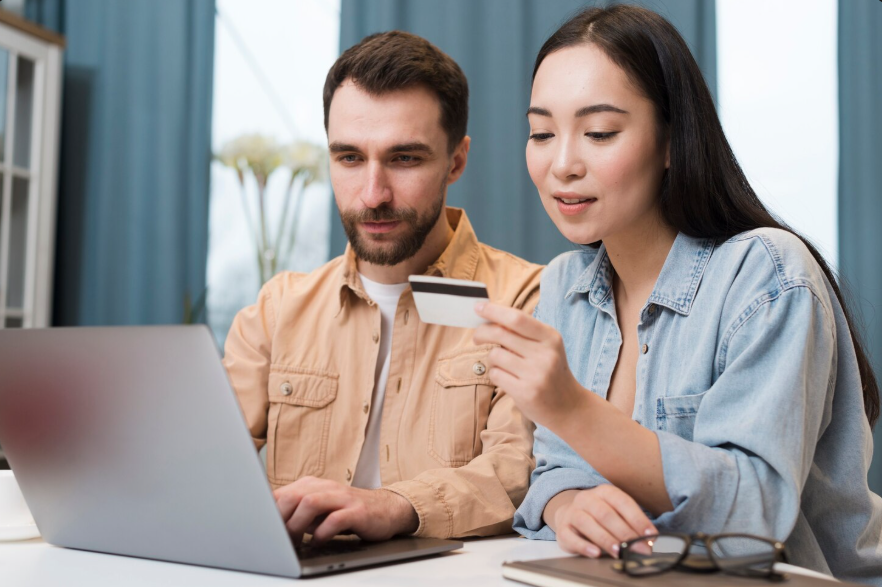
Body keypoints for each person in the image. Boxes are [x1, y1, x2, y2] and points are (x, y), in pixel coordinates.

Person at [472, 5, 882, 584]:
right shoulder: (564, 283)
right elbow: (555, 471)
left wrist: (571, 406)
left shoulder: (763, 273)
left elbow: (757, 513)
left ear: (670, 141)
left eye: (599, 133)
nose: (561, 163)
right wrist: (568, 506)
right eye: (541, 133)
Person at [223, 31, 542, 544]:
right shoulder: (277, 309)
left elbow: (518, 471)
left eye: (405, 159)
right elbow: (202, 464)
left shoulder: (525, 299)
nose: (372, 195)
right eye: (349, 158)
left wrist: (393, 506)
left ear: (455, 161)